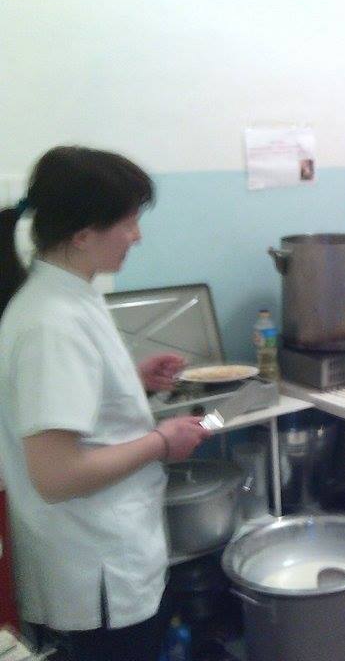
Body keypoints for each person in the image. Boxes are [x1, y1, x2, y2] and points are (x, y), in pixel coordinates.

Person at [0, 147, 211, 661]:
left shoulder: (68, 294)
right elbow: (57, 475)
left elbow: (65, 408)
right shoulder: (51, 322)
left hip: (109, 549)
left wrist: (132, 382)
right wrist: (162, 441)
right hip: (95, 567)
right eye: (129, 221)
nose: (137, 236)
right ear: (83, 233)